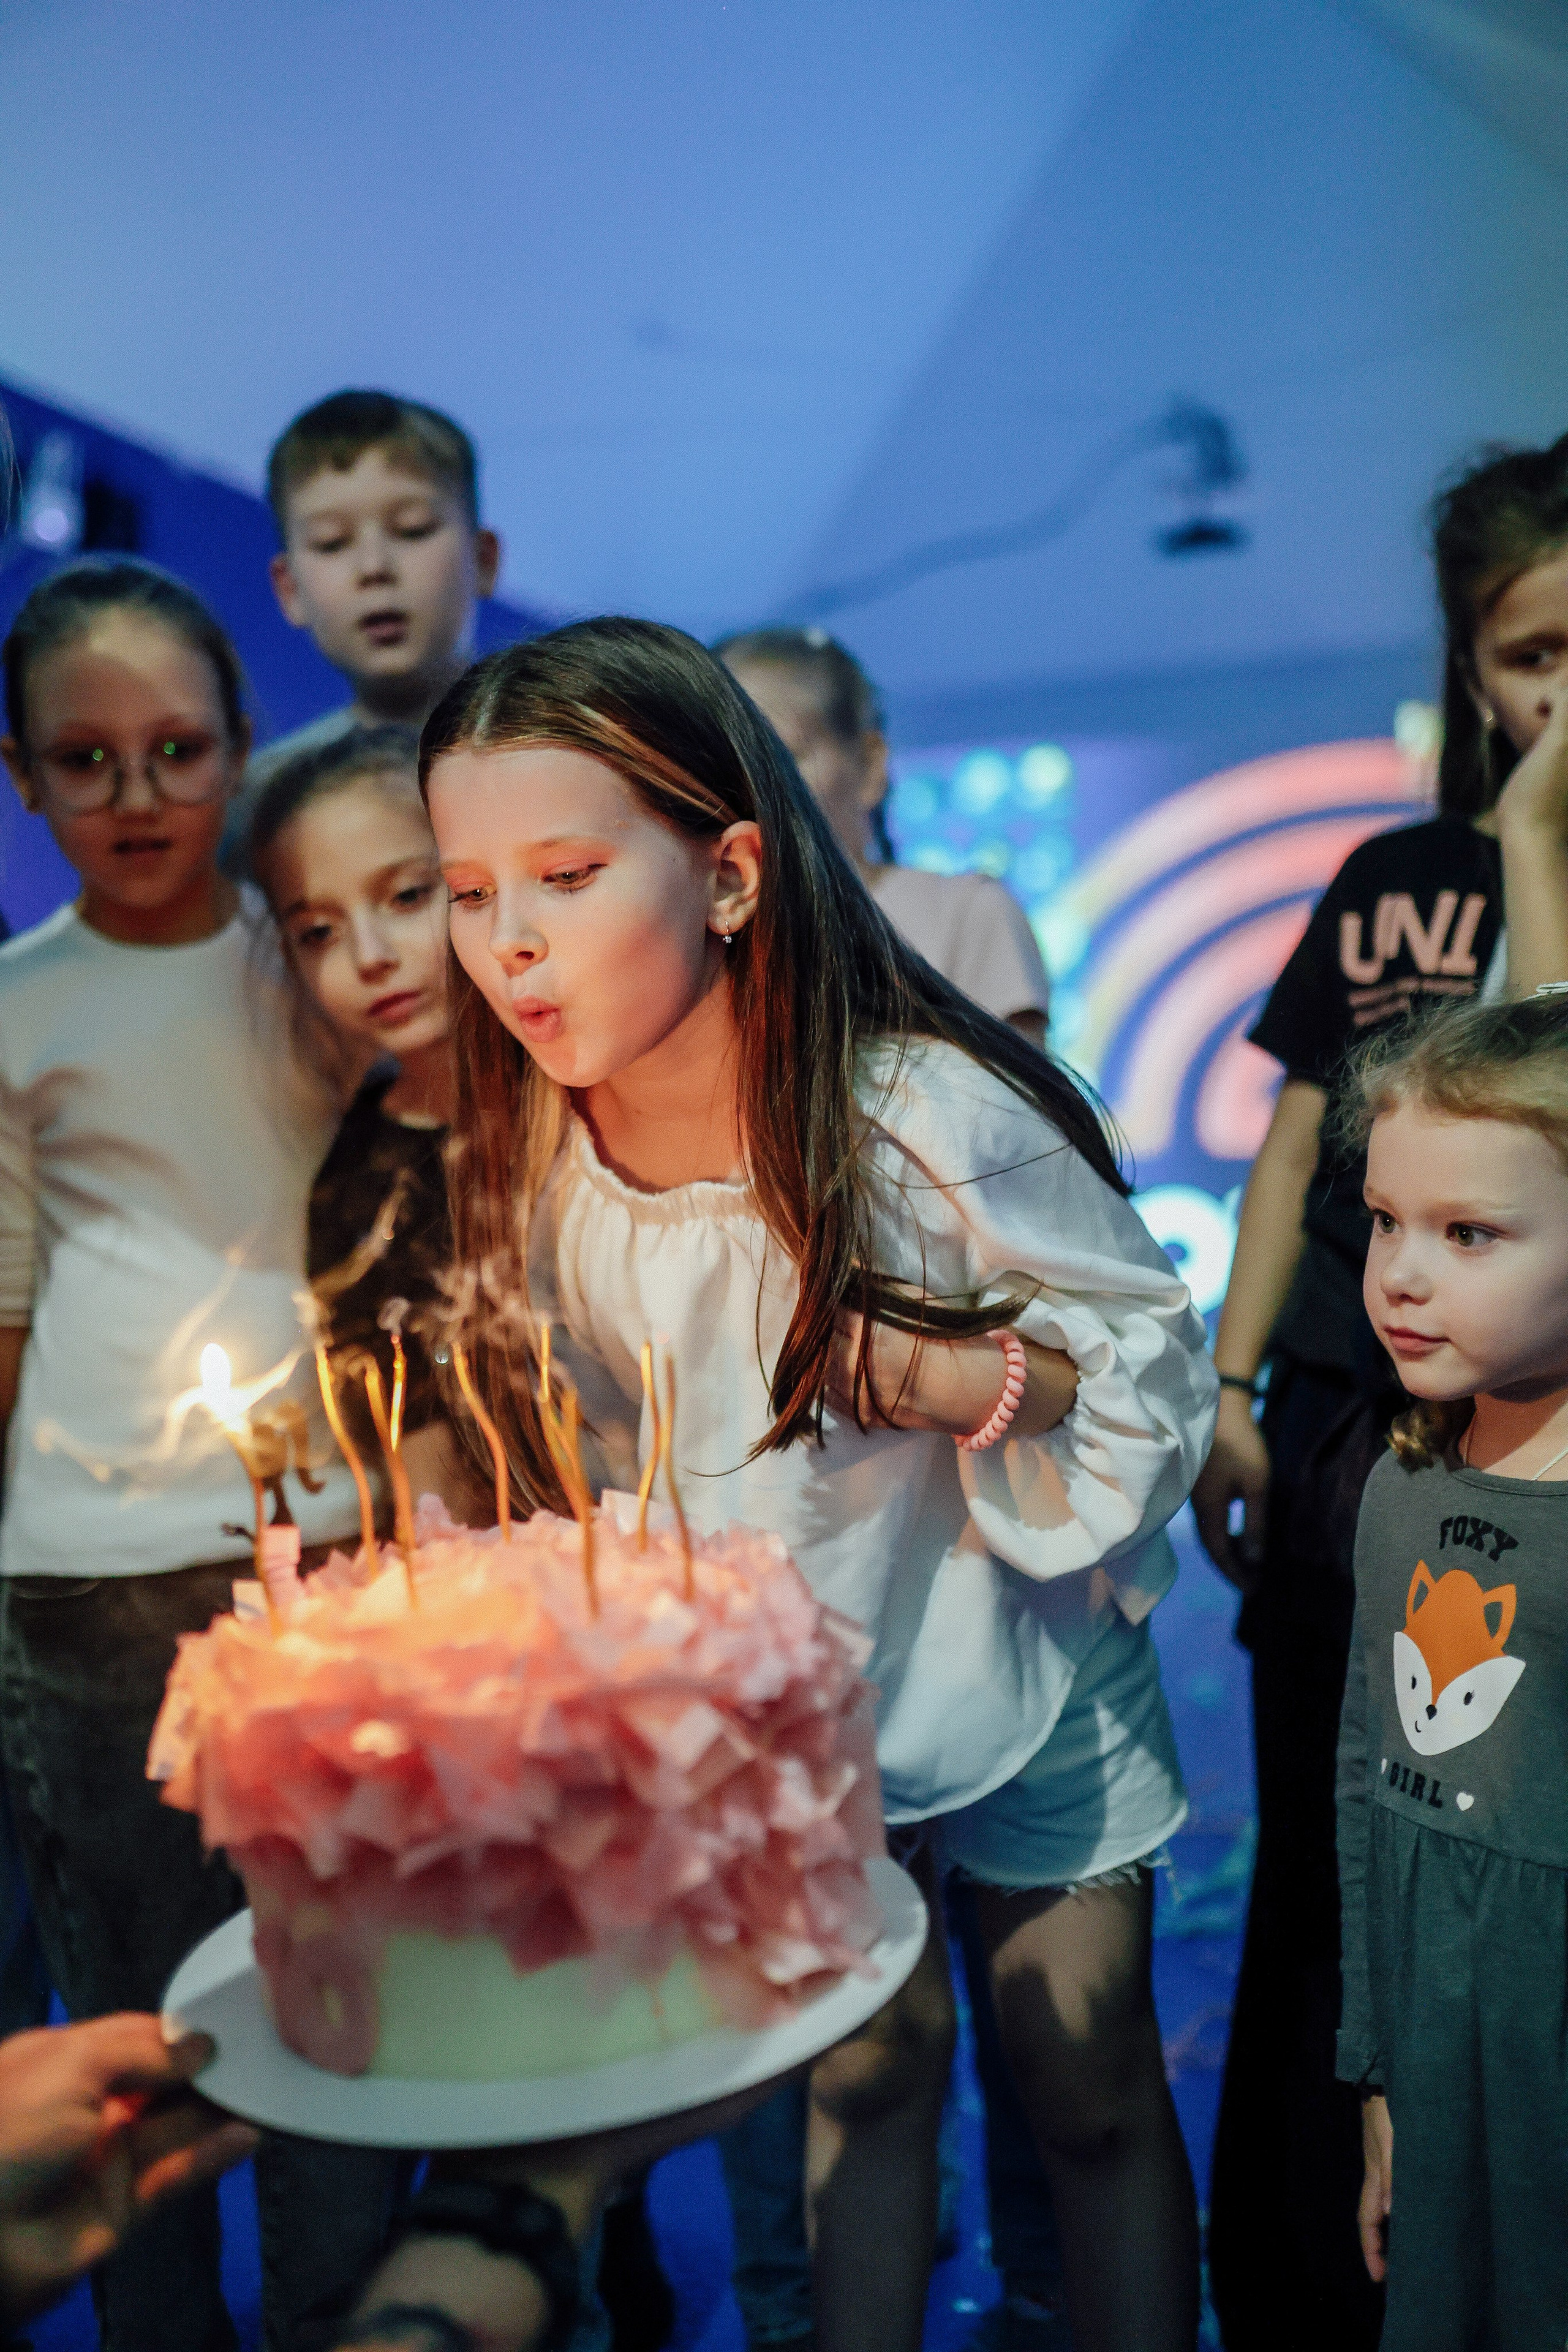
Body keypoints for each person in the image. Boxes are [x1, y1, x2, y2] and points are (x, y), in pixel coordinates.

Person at [418, 617, 1217, 2352]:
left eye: (565, 875)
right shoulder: (543, 1153)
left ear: (728, 874)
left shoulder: (919, 1114)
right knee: (863, 2078)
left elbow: (1143, 1363)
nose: (509, 940)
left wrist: (954, 1378)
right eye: (467, 892)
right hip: (784, 1696)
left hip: (1017, 1642)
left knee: (1083, 2074)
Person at [0, 559, 400, 2352]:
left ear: (240, 746)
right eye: (85, 760)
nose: (138, 793)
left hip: (336, 1557)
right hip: (86, 1585)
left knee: (343, 2013)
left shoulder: (312, 958)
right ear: (22, 776)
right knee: (134, 2031)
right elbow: (6, 1303)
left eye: (177, 749)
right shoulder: (18, 1003)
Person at [1196, 432, 1568, 2351]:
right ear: (1471, 663)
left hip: (1537, 1465)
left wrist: (1540, 850)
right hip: (1354, 1434)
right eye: (1531, 653)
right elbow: (1292, 1144)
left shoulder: (1529, 867)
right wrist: (1229, 1374)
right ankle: (1299, 2276)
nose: (1561, 693)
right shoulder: (1389, 877)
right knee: (1337, 1856)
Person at [245, 723, 677, 2352]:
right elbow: (416, 1482)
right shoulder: (358, 1182)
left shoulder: (600, 1101)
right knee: (542, 2051)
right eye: (317, 925)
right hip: (516, 1673)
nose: (370, 953)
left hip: (689, 1627)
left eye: (407, 895)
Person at [712, 631, 1063, 2348]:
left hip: (962, 1481)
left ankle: (1032, 2273)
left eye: (793, 745)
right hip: (802, 1525)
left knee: (1016, 1945)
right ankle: (812, 2286)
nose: (769, 782)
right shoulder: (709, 951)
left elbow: (1020, 1155)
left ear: (868, 756)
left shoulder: (958, 911)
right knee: (818, 1967)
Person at [1335, 993, 1568, 2348]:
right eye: (1384, 1220)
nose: (1399, 1276)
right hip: (1436, 2056)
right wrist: (1378, 2079)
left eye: (1467, 1234)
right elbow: (1366, 1785)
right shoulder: (1402, 1482)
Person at [715, 628, 1049, 1041]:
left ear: (870, 765)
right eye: (726, 764)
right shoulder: (707, 935)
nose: (750, 786)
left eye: (781, 758)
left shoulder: (967, 915)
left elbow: (1016, 1082)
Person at [225, 390, 502, 863]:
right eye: (332, 542)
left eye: (413, 528)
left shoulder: (564, 749)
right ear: (289, 590)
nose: (374, 567)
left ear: (483, 559)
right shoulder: (261, 806)